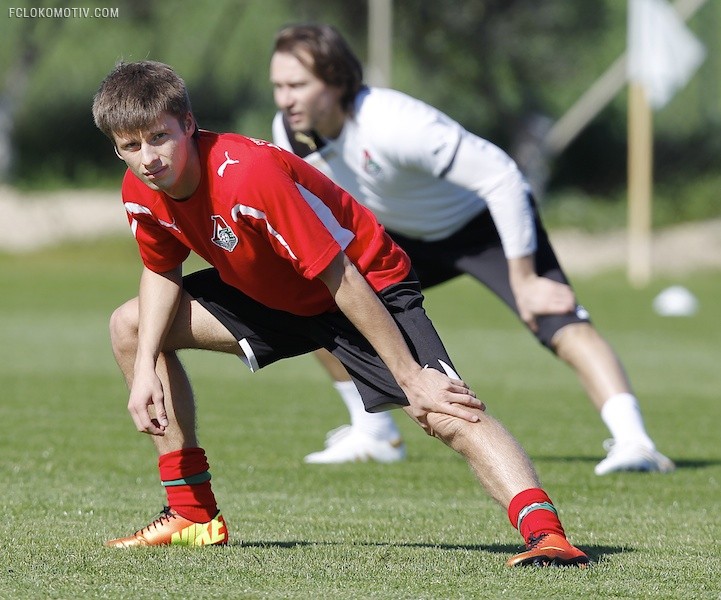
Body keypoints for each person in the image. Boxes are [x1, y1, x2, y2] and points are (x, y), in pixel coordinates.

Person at [91, 60, 589, 567]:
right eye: (131, 146)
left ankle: (547, 535)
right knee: (129, 327)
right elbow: (161, 270)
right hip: (274, 293)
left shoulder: (249, 177)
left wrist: (410, 377)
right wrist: (145, 369)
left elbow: (341, 276)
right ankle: (193, 515)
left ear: (188, 124)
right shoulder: (141, 193)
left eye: (159, 138)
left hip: (364, 285)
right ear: (117, 148)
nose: (148, 158)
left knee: (443, 411)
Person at [269, 24, 675, 475]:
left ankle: (635, 443)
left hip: (485, 227)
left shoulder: (393, 123)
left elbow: (501, 175)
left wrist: (525, 278)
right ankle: (375, 433)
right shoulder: (289, 131)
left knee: (555, 317)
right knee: (315, 296)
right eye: (279, 86)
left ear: (338, 80)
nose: (285, 99)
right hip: (404, 237)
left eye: (298, 85)